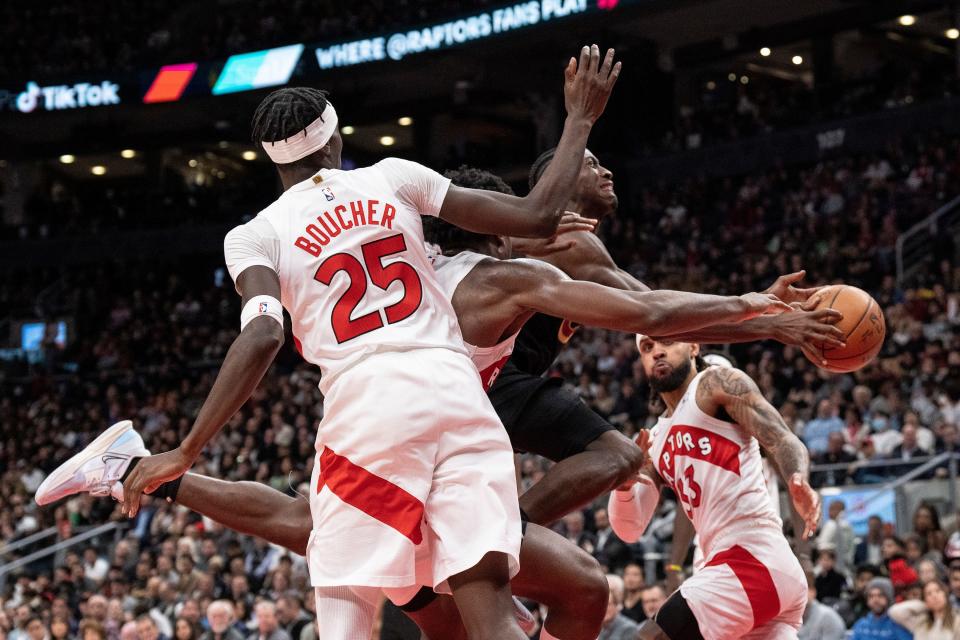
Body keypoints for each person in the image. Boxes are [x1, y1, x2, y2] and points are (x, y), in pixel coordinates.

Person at [39, 161, 793, 640]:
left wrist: (757, 313)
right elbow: (650, 311)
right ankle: (138, 465)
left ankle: (137, 465)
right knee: (330, 538)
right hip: (428, 424)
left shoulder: (464, 262)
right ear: (498, 231)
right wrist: (761, 314)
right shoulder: (497, 278)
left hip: (437, 418)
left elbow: (645, 303)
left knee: (578, 585)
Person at [37, 46, 624, 640]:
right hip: (441, 392)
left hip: (373, 406)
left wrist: (188, 448)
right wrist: (578, 119)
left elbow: (265, 329)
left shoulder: (253, 235)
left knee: (341, 549)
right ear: (336, 137)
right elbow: (537, 216)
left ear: (270, 158)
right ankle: (130, 466)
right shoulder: (396, 179)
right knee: (451, 591)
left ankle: (132, 466)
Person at [486, 149, 843, 527]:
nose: (607, 171)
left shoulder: (562, 244)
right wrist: (765, 322)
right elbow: (663, 320)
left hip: (494, 386)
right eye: (590, 164)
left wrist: (764, 319)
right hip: (496, 381)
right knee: (614, 455)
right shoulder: (568, 240)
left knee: (486, 517)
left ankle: (500, 543)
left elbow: (668, 321)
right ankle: (509, 536)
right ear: (560, 179)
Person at [609, 337, 820, 640]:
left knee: (655, 632)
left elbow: (781, 438)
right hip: (739, 571)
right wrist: (624, 486)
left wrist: (798, 477)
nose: (657, 351)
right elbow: (629, 529)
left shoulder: (715, 384)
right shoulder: (653, 439)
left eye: (667, 340)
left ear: (694, 347)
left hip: (754, 557)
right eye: (647, 347)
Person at [889, 579, 960, 639]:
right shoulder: (920, 621)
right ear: (924, 599)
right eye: (929, 594)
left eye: (938, 591)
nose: (934, 596)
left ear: (945, 593)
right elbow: (894, 611)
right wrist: (925, 605)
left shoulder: (957, 621)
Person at [797, 569, 846, 640]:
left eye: (803, 589)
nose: (798, 594)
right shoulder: (790, 616)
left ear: (813, 592)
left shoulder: (828, 617)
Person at [817, 500, 855, 574]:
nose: (830, 512)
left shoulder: (832, 524)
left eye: (833, 509)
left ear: (842, 511)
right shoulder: (847, 525)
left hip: (835, 566)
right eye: (829, 509)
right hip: (844, 565)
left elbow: (822, 547)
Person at [598, 575, 640, 640]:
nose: (604, 609)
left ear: (616, 606)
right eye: (601, 605)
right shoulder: (597, 627)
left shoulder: (629, 628)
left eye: (608, 604)